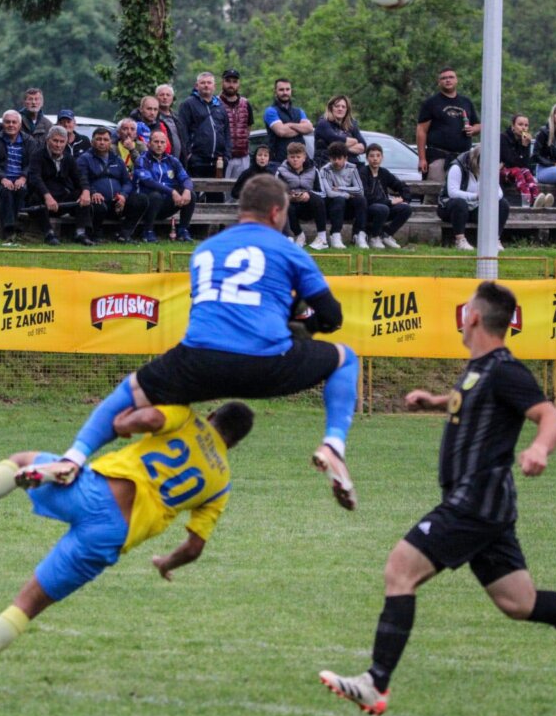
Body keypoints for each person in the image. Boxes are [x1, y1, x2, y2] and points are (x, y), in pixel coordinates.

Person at [318, 280, 556, 716]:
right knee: (520, 603)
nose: (463, 317)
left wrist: (539, 448)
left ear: (474, 317)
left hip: (475, 500)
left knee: (399, 569)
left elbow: (549, 416)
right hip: (485, 505)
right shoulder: (480, 369)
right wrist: (435, 401)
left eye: (465, 312)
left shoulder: (505, 369)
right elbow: (473, 402)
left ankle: (375, 682)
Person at [33, 174, 362, 512]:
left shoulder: (205, 250)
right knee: (345, 358)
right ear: (277, 212)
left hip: (200, 360)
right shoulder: (287, 249)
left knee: (130, 391)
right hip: (266, 360)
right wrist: (303, 322)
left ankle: (73, 456)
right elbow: (331, 316)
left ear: (242, 210)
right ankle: (333, 445)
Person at [0, 400, 256, 695]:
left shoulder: (187, 418)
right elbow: (195, 547)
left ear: (212, 415)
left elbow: (148, 419)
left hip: (93, 489)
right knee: (28, 603)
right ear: (236, 444)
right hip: (111, 535)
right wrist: (165, 563)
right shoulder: (220, 483)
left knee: (21, 460)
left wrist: (122, 420)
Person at [75, 126, 146, 243]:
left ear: (110, 142)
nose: (102, 142)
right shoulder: (84, 159)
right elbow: (81, 180)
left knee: (141, 199)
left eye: (105, 139)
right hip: (98, 202)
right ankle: (96, 234)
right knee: (97, 204)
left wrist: (123, 195)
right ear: (92, 141)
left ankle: (125, 234)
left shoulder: (117, 160)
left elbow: (127, 182)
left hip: (117, 203)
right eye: (98, 139)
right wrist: (93, 192)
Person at [26, 125, 93, 246]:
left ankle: (81, 233)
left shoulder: (68, 158)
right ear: (48, 140)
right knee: (36, 198)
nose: (58, 145)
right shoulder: (37, 155)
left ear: (66, 142)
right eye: (55, 141)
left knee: (82, 195)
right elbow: (35, 179)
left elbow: (79, 176)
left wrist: (86, 191)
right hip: (42, 198)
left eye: (62, 142)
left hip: (61, 199)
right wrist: (47, 196)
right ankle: (49, 234)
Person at [0, 110, 40, 243]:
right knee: (6, 191)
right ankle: (9, 230)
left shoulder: (29, 141)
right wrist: (2, 178)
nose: (11, 125)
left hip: (21, 180)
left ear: (20, 125)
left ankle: (17, 229)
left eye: (14, 122)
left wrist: (23, 177)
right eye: (8, 122)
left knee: (22, 190)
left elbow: (33, 163)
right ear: (3, 124)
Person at [438, 144, 510, 251]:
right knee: (459, 203)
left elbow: (499, 192)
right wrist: (475, 196)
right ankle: (460, 240)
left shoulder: (488, 169)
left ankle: (495, 239)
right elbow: (452, 192)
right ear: (476, 160)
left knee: (503, 204)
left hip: (477, 208)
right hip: (451, 208)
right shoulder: (457, 167)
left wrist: (490, 197)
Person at [416, 67, 480, 182]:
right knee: (434, 192)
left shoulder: (466, 102)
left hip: (463, 157)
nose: (448, 80)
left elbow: (478, 125)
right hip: (438, 157)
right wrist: (422, 159)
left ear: (456, 80)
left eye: (451, 77)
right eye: (444, 78)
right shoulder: (431, 103)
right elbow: (421, 130)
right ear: (439, 82)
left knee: (461, 192)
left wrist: (473, 129)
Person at [135, 130, 196, 242]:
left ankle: (183, 230)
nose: (159, 145)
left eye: (162, 142)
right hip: (147, 205)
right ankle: (147, 231)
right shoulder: (142, 160)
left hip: (167, 205)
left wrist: (187, 190)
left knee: (190, 194)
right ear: (149, 143)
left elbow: (185, 178)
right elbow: (148, 181)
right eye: (156, 142)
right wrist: (172, 192)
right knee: (155, 196)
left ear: (166, 144)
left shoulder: (172, 160)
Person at [177, 72, 231, 201]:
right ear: (197, 85)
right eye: (203, 83)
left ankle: (215, 221)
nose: (206, 86)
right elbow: (182, 130)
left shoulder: (220, 106)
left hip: (218, 160)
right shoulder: (188, 104)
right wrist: (189, 154)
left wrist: (227, 155)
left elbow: (227, 132)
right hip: (197, 159)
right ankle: (195, 221)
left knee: (217, 196)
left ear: (214, 86)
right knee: (194, 195)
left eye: (209, 83)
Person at [359, 142, 413, 249]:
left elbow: (401, 186)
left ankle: (386, 235)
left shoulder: (384, 173)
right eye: (372, 156)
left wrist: (405, 199)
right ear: (367, 158)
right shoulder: (363, 172)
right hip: (368, 209)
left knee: (406, 209)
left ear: (382, 158)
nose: (375, 159)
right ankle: (374, 237)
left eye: (378, 156)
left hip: (385, 207)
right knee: (383, 208)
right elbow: (366, 196)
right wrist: (389, 202)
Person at [275, 141, 327, 250]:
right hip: (292, 207)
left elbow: (322, 193)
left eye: (298, 157)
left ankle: (322, 238)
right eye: (292, 157)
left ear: (304, 157)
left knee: (317, 199)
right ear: (287, 157)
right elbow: (277, 195)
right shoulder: (280, 171)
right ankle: (299, 235)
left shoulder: (314, 170)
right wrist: (290, 197)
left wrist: (308, 194)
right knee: (285, 204)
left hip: (309, 206)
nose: (295, 159)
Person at [319, 142, 368, 249]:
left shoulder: (352, 168)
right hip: (333, 205)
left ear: (345, 158)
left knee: (361, 200)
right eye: (333, 158)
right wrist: (347, 194)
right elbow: (330, 193)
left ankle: (359, 234)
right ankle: (335, 235)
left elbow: (360, 190)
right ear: (330, 158)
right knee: (339, 199)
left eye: (339, 158)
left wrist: (341, 188)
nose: (336, 161)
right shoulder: (325, 170)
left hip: (347, 203)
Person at [499, 114, 550, 208]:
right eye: (520, 124)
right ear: (513, 126)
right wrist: (523, 146)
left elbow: (526, 165)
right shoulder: (503, 138)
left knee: (526, 171)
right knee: (518, 171)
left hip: (516, 170)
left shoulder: (525, 140)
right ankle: (528, 200)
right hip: (502, 170)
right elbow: (509, 161)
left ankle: (536, 198)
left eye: (526, 125)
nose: (523, 128)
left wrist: (525, 146)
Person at [264, 78, 313, 165]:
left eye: (287, 89)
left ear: (291, 91)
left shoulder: (299, 111)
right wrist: (300, 128)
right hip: (279, 162)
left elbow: (309, 128)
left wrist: (289, 125)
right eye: (281, 90)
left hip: (301, 162)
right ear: (275, 91)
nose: (285, 92)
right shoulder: (270, 111)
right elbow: (281, 131)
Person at [219, 68, 255, 179]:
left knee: (240, 192)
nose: (231, 84)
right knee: (219, 191)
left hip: (242, 156)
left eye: (234, 82)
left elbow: (248, 127)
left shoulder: (246, 103)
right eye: (228, 81)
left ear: (238, 84)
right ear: (222, 82)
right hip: (222, 157)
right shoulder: (215, 103)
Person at [313, 95, 366, 167]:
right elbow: (334, 139)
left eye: (343, 107)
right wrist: (354, 142)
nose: (340, 109)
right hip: (327, 167)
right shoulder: (323, 124)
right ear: (331, 108)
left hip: (351, 168)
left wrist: (338, 148)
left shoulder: (352, 125)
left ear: (347, 110)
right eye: (337, 106)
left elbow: (363, 147)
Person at [155, 83, 185, 161]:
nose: (165, 97)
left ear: (172, 98)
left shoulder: (177, 118)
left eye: (168, 95)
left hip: (178, 162)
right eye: (162, 95)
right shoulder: (153, 117)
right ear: (156, 97)